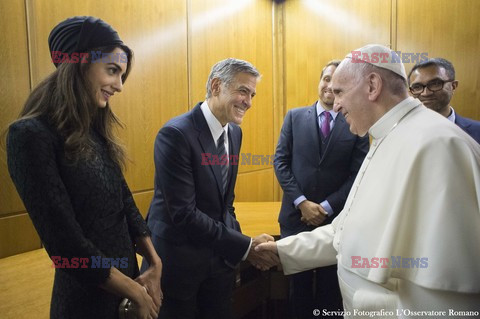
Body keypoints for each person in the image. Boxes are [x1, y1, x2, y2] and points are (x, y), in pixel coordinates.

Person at [256, 44, 480, 315]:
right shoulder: (385, 136)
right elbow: (346, 232)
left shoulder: (440, 146)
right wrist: (282, 250)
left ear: (372, 86)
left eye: (339, 92)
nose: (335, 104)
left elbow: (447, 291)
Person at [6, 16, 162, 319]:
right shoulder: (29, 135)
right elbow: (66, 247)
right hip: (85, 299)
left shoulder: (93, 126)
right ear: (78, 64)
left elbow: (124, 201)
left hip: (128, 285)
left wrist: (155, 263)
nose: (118, 86)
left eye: (122, 75)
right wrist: (134, 291)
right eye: (113, 71)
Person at [143, 58, 278, 319]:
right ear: (216, 86)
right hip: (179, 265)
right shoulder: (176, 134)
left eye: (252, 94)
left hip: (218, 263)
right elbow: (184, 214)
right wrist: (246, 246)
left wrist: (242, 247)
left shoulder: (234, 133)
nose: (248, 102)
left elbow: (225, 202)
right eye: (242, 91)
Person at [274, 60, 369, 318]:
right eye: (326, 78)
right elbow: (280, 162)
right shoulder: (294, 117)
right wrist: (301, 202)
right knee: (298, 290)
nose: (329, 85)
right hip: (295, 218)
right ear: (320, 81)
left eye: (337, 82)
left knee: (331, 290)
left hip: (335, 220)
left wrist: (326, 207)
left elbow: (358, 174)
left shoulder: (357, 122)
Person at [408, 57, 480, 143]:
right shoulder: (399, 131)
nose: (425, 93)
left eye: (435, 84)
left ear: (453, 86)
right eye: (417, 87)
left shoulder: (477, 131)